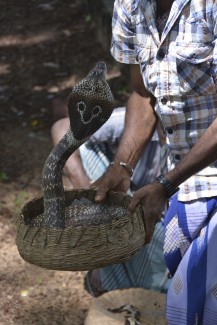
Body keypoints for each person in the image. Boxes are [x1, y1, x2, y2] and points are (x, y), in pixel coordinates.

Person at [88, 0, 217, 324]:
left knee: (192, 304)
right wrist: (122, 166)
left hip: (199, 178)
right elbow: (142, 92)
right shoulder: (130, 5)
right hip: (184, 182)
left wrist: (166, 183)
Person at [51, 101, 171, 296]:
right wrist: (86, 191)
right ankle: (107, 268)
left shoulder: (199, 141)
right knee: (82, 146)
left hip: (161, 228)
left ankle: (117, 275)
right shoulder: (140, 119)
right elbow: (62, 128)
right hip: (128, 210)